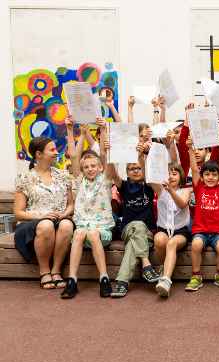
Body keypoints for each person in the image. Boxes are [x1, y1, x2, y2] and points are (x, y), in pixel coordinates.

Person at [61, 118, 115, 299]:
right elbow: (74, 156)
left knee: (91, 234)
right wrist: (70, 129)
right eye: (86, 167)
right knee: (78, 233)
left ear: (100, 167)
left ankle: (104, 278)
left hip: (102, 230)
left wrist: (102, 129)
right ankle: (72, 280)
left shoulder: (105, 180)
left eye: (93, 166)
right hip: (83, 228)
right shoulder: (80, 181)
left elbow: (104, 153)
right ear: (82, 170)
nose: (90, 169)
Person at [13, 137, 74, 289]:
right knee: (46, 225)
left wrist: (65, 213)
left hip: (59, 220)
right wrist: (42, 216)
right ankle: (44, 271)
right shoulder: (25, 178)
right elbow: (18, 213)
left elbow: (71, 204)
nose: (56, 153)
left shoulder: (63, 175)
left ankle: (56, 270)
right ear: (39, 154)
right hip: (31, 223)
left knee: (66, 225)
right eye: (52, 150)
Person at [107, 133, 161, 298]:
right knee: (137, 225)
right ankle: (146, 264)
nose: (136, 171)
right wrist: (109, 154)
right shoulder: (124, 186)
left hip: (148, 234)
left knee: (132, 247)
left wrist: (140, 156)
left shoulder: (149, 186)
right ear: (127, 172)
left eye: (138, 168)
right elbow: (113, 175)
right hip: (127, 230)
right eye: (132, 169)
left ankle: (122, 283)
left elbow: (147, 171)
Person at [185, 135, 219, 292]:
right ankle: (196, 275)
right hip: (201, 231)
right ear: (202, 176)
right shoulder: (199, 188)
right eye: (207, 175)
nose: (210, 177)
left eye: (214, 175)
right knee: (196, 244)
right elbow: (193, 168)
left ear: (218, 177)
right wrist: (190, 149)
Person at [149, 162, 192, 298]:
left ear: (181, 176)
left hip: (181, 231)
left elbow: (182, 203)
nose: (171, 177)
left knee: (172, 243)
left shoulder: (186, 190)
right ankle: (164, 267)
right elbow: (148, 176)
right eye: (167, 174)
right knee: (159, 239)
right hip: (163, 229)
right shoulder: (160, 190)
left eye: (174, 173)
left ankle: (166, 280)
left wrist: (171, 191)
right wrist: (143, 155)